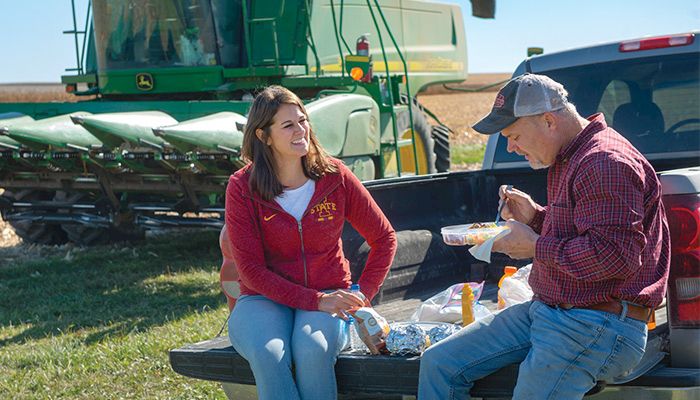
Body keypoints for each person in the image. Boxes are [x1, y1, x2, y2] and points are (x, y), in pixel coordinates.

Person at [418, 73, 670, 399]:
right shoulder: (571, 155)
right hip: (553, 311)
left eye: (514, 135)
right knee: (440, 363)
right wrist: (536, 217)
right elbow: (589, 229)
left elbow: (613, 255)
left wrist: (535, 246)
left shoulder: (605, 162)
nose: (511, 147)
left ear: (548, 121)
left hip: (598, 324)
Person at [225, 85, 397, 400]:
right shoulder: (241, 187)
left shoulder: (336, 177)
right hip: (262, 299)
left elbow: (384, 238)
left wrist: (361, 295)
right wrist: (314, 300)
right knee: (270, 354)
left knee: (313, 350)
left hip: (330, 293)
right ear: (264, 136)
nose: (301, 129)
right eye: (288, 125)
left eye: (303, 120)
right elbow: (249, 270)